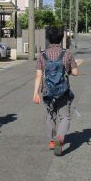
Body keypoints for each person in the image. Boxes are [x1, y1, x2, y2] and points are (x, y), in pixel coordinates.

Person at [33, 25, 81, 156]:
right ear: (61, 38)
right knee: (65, 116)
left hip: (47, 91)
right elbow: (76, 72)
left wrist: (35, 93)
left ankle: (52, 141)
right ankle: (60, 137)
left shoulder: (41, 55)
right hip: (63, 91)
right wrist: (72, 68)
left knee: (50, 115)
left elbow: (38, 75)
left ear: (48, 38)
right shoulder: (67, 54)